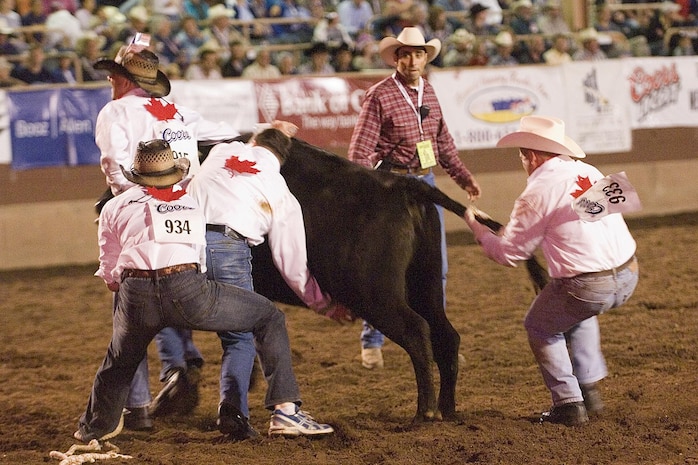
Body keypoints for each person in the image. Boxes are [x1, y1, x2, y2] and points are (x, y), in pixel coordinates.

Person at [74, 138, 335, 443]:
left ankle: (94, 427)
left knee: (118, 359)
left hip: (136, 291)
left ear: (136, 174)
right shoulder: (190, 202)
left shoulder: (115, 206)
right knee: (268, 316)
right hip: (187, 290)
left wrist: (121, 285)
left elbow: (109, 264)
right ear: (173, 173)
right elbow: (198, 256)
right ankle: (283, 410)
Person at [92, 41, 240, 429]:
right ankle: (185, 358)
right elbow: (225, 134)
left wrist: (130, 199)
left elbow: (113, 162)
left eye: (115, 74)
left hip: (141, 211)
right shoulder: (178, 114)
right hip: (185, 212)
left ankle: (137, 406)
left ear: (125, 80)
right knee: (182, 282)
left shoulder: (115, 111)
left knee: (131, 308)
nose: (110, 78)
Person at [463, 115, 639, 426]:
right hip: (628, 274)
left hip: (588, 287)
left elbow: (508, 255)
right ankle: (589, 389)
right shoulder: (589, 171)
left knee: (540, 326)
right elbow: (585, 223)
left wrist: (478, 229)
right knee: (575, 312)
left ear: (530, 156)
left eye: (521, 155)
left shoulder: (536, 192)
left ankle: (569, 403)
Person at [187, 126, 350, 440]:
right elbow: (291, 262)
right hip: (227, 250)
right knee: (253, 327)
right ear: (282, 159)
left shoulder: (221, 151)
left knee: (148, 319)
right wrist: (323, 304)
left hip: (179, 247)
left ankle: (123, 408)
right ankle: (280, 410)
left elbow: (208, 133)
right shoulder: (280, 190)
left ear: (253, 141)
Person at [347, 26, 481, 369]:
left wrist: (463, 177)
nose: (411, 60)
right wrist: (362, 194)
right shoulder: (379, 95)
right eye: (404, 54)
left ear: (425, 57)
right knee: (386, 269)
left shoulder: (430, 94)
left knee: (438, 269)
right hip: (391, 188)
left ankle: (439, 340)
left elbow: (443, 143)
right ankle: (372, 340)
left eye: (417, 54)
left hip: (425, 183)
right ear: (396, 58)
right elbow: (360, 151)